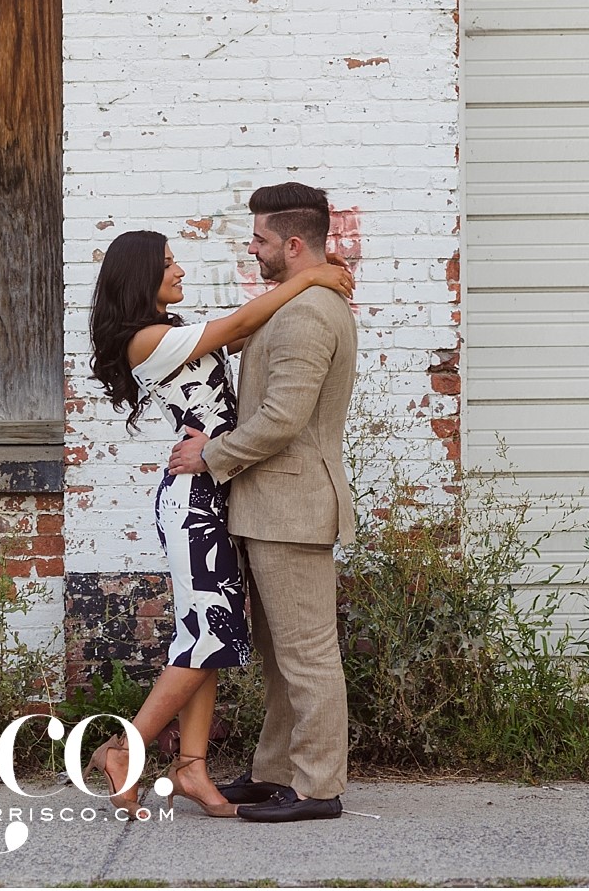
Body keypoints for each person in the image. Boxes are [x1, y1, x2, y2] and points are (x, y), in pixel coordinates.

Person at [86, 228, 353, 818]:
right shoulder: (147, 340)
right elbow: (235, 328)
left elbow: (251, 328)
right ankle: (122, 751)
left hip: (213, 492)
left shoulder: (171, 332)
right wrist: (306, 276)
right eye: (168, 264)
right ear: (140, 279)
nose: (179, 271)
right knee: (207, 635)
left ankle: (191, 769)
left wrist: (305, 273)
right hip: (193, 500)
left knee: (205, 637)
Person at [167, 182, 359, 824]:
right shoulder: (298, 301)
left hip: (295, 509)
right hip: (274, 508)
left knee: (307, 655)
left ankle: (316, 787)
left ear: (294, 244)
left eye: (260, 240)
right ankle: (276, 773)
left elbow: (282, 417)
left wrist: (210, 455)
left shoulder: (308, 314)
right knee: (281, 659)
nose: (252, 250)